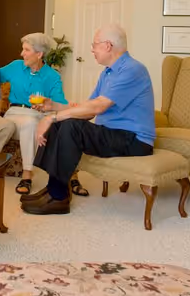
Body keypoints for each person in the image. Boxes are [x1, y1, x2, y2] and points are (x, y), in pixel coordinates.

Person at [22, 24, 156, 215]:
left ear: (108, 46)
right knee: (64, 123)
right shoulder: (108, 72)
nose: (92, 49)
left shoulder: (132, 70)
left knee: (70, 126)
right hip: (114, 135)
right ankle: (53, 190)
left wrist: (51, 117)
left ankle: (58, 197)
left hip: (134, 140)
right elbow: (87, 108)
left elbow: (98, 107)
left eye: (95, 45)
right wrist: (53, 106)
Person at [0, 32, 68, 197]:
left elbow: (61, 104)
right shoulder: (16, 66)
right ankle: (27, 174)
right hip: (15, 113)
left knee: (59, 125)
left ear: (39, 54)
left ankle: (69, 176)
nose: (22, 54)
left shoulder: (52, 76)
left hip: (40, 115)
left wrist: (47, 102)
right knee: (30, 122)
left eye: (26, 50)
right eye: (23, 49)